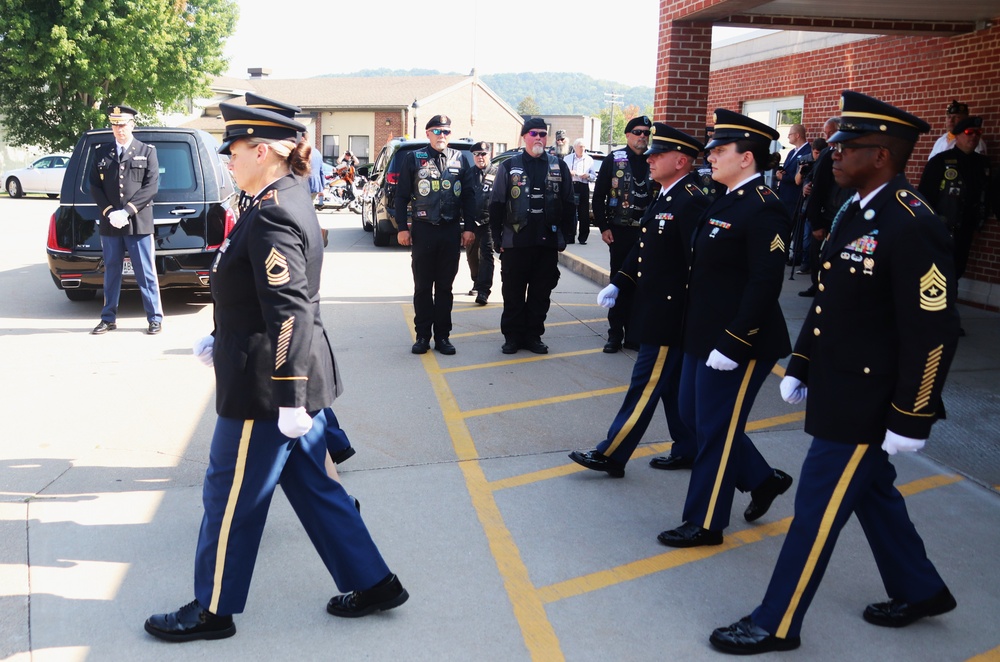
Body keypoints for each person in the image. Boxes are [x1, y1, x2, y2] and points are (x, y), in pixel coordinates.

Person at [144, 98, 407, 643]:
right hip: (281, 375)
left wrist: (288, 398)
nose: (229, 160)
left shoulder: (273, 212)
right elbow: (260, 296)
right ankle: (374, 581)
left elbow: (290, 310)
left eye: (234, 151)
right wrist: (219, 336)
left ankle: (213, 609)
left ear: (261, 150)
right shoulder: (277, 197)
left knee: (229, 494)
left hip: (267, 388)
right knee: (314, 487)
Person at [710, 90, 960, 656]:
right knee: (872, 495)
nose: (833, 155)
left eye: (848, 147)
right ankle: (920, 589)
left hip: (868, 401)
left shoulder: (909, 222)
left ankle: (776, 622)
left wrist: (912, 414)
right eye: (835, 145)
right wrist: (801, 362)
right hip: (841, 382)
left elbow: (933, 331)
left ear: (882, 156)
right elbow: (832, 302)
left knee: (815, 513)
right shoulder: (858, 209)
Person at [657, 108, 793, 549]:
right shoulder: (725, 197)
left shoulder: (765, 208)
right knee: (695, 417)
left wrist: (734, 341)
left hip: (741, 341)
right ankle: (761, 478)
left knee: (715, 427)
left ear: (748, 157)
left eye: (720, 150)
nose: (710, 156)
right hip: (703, 335)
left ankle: (705, 522)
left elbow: (764, 282)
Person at [568, 123, 709, 477]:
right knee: (672, 390)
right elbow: (646, 248)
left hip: (669, 313)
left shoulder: (690, 200)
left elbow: (699, 265)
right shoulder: (669, 195)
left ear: (680, 161)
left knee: (645, 386)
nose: (649, 159)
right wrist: (620, 283)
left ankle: (612, 453)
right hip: (657, 308)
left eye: (657, 155)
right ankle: (695, 450)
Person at [489, 117, 575, 355]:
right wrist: (497, 238)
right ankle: (512, 337)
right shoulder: (509, 166)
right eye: (534, 133)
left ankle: (533, 336)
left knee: (541, 293)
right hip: (516, 241)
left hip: (546, 241)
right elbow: (496, 204)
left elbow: (569, 203)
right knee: (513, 292)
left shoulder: (559, 166)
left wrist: (567, 236)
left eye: (542, 134)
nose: (539, 137)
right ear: (524, 136)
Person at [395, 115, 477, 355]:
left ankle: (443, 337)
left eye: (446, 132)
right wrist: (402, 227)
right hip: (424, 230)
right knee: (422, 287)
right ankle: (422, 336)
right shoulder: (414, 158)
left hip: (450, 230)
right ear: (428, 133)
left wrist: (469, 227)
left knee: (444, 287)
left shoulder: (460, 159)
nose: (442, 136)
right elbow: (401, 197)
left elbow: (469, 196)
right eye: (438, 131)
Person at [88, 104, 163, 335]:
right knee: (111, 271)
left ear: (132, 125)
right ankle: (108, 318)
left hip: (138, 222)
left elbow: (151, 186)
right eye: (115, 125)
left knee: (145, 272)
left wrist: (127, 211)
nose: (119, 129)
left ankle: (154, 318)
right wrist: (110, 211)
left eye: (123, 125)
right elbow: (94, 186)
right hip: (111, 222)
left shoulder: (146, 150)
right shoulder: (101, 152)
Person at [592, 115, 655, 353]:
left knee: (642, 285)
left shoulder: (654, 158)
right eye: (638, 132)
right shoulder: (614, 159)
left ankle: (634, 334)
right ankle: (615, 334)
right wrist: (604, 226)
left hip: (647, 233)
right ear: (628, 135)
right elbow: (598, 197)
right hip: (620, 231)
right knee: (619, 282)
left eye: (646, 133)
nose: (642, 136)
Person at [919, 116, 993, 286]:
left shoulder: (983, 164)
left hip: (967, 227)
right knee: (937, 267)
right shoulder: (940, 161)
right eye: (968, 132)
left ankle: (950, 301)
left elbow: (985, 195)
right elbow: (924, 195)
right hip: (942, 226)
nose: (974, 136)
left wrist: (979, 224)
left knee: (958, 267)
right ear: (957, 136)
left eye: (977, 133)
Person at [798, 118, 854, 297]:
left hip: (838, 211)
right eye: (826, 133)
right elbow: (814, 176)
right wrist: (806, 183)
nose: (828, 136)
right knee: (815, 253)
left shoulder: (846, 155)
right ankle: (816, 284)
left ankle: (829, 288)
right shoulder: (824, 153)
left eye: (832, 132)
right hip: (820, 212)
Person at [776, 124, 812, 272]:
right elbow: (789, 169)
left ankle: (795, 256)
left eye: (790, 134)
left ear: (797, 135)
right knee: (785, 226)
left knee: (796, 229)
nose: (788, 137)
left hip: (795, 195)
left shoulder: (807, 151)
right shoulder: (791, 152)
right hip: (785, 195)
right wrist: (781, 173)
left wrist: (784, 178)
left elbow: (801, 176)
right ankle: (783, 255)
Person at [466, 140, 495, 305]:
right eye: (476, 154)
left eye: (483, 154)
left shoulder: (497, 173)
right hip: (471, 221)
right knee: (471, 255)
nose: (480, 157)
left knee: (487, 255)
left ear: (489, 154)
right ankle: (476, 281)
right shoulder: (467, 174)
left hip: (489, 221)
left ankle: (483, 290)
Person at [564, 138, 595, 245]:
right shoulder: (567, 158)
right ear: (575, 148)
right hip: (572, 186)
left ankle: (583, 237)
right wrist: (569, 173)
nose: (582, 149)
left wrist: (588, 176)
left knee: (584, 213)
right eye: (580, 147)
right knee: (570, 211)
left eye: (583, 147)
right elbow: (563, 174)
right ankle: (569, 236)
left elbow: (593, 176)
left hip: (583, 186)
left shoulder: (589, 160)